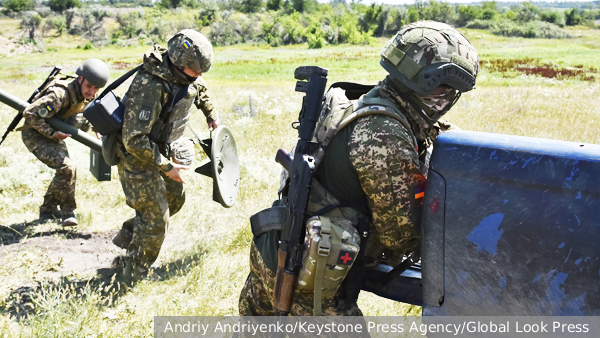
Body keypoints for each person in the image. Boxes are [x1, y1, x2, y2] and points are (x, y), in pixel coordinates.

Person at [239, 21, 479, 316]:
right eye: (449, 89)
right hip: (308, 276)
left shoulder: (359, 99)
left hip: (274, 248)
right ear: (431, 84)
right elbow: (399, 237)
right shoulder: (384, 134)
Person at [111, 29, 219, 279]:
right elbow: (134, 140)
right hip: (136, 158)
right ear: (179, 65)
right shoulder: (150, 86)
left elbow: (198, 88)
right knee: (156, 219)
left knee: (174, 199)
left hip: (160, 149)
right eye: (195, 72)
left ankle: (129, 233)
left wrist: (210, 114)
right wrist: (166, 166)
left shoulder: (185, 76)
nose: (199, 77)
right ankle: (133, 272)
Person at [21, 58, 110, 227]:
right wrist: (53, 133)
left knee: (65, 171)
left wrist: (98, 129)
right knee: (67, 168)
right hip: (35, 133)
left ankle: (48, 210)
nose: (92, 91)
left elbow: (86, 115)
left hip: (54, 133)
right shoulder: (59, 94)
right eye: (89, 86)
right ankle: (68, 212)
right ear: (80, 79)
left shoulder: (86, 95)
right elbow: (30, 113)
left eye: (96, 88)